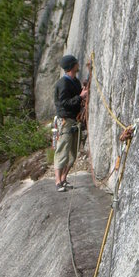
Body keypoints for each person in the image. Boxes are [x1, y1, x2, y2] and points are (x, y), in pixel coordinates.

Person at [54, 54, 88, 192]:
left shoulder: (75, 81)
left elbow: (78, 96)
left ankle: (63, 179)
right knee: (63, 149)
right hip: (66, 120)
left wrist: (84, 90)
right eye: (76, 63)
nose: (78, 64)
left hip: (75, 119)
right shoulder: (63, 83)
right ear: (71, 66)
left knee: (73, 153)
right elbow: (62, 103)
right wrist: (79, 97)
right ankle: (58, 182)